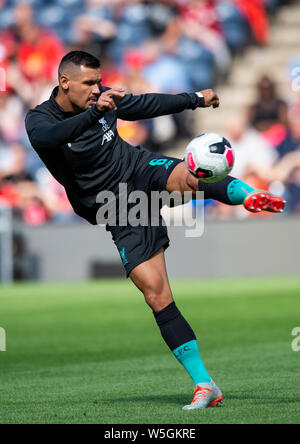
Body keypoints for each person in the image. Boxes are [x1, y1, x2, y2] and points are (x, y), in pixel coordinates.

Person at [25, 51, 286, 410]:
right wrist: (96, 111)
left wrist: (194, 99)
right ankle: (205, 384)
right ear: (64, 82)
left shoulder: (103, 100)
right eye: (88, 83)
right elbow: (55, 135)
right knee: (157, 296)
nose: (96, 89)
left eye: (98, 82)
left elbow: (144, 104)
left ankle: (250, 195)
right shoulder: (40, 120)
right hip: (115, 205)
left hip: (138, 167)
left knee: (189, 176)